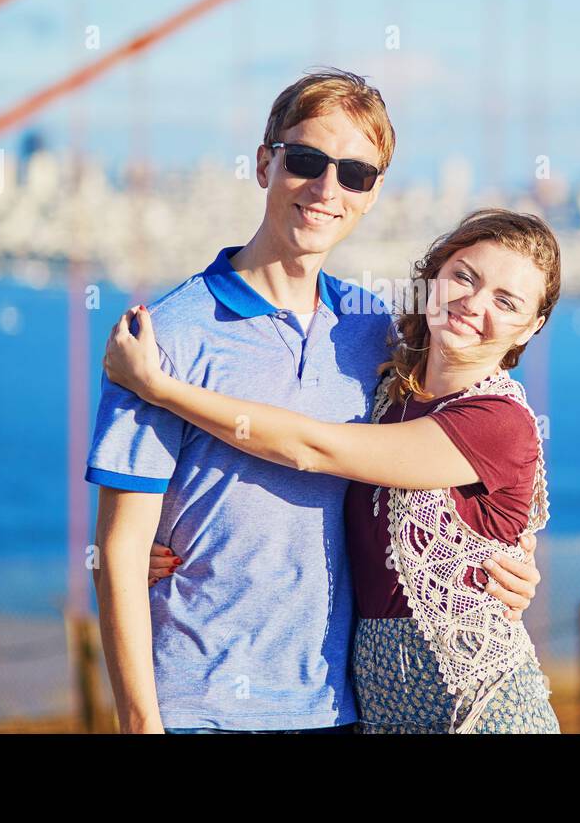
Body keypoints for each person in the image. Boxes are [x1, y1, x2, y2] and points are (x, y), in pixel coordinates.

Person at [86, 69, 540, 734]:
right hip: (202, 709)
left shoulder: (375, 331)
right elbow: (121, 554)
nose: (328, 189)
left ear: (373, 192)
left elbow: (472, 457)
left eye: (355, 174)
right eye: (305, 161)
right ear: (265, 162)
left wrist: (508, 563)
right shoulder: (165, 336)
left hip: (341, 707)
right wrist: (138, 722)